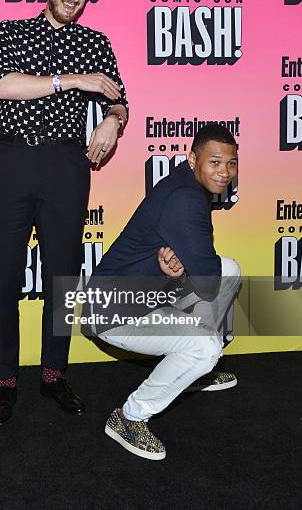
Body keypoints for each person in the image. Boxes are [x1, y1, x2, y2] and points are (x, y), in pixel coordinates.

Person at [0, 0, 128, 425]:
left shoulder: (95, 41)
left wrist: (110, 120)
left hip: (66, 164)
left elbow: (119, 98)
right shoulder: (11, 30)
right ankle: (6, 379)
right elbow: (3, 86)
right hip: (10, 159)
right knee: (3, 274)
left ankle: (53, 374)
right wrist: (72, 80)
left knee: (62, 277)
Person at [83, 124, 240, 460]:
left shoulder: (183, 183)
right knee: (205, 348)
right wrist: (185, 266)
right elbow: (207, 282)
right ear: (192, 158)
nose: (224, 172)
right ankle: (129, 417)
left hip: (144, 293)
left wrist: (180, 265)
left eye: (231, 163)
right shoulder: (186, 200)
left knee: (230, 270)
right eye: (214, 162)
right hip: (113, 313)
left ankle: (191, 375)